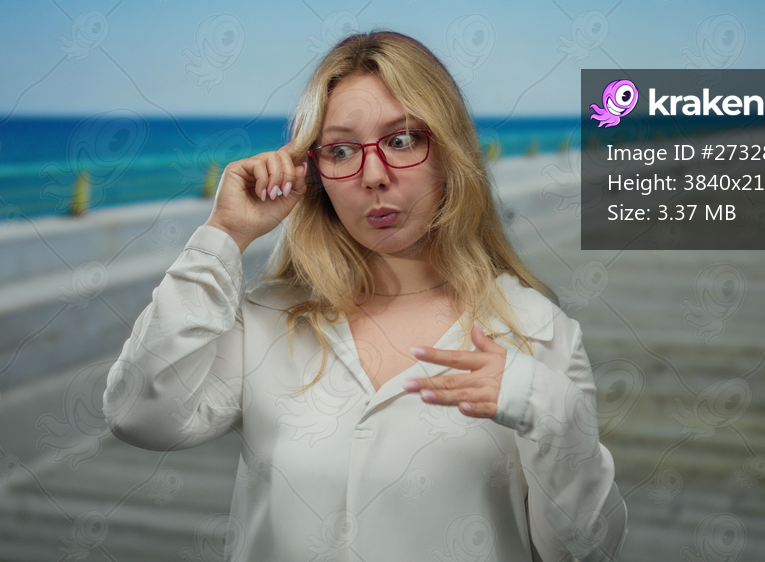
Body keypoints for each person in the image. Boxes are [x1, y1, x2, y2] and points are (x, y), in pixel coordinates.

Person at [103, 30, 627, 561]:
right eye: (341, 150)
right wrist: (223, 235)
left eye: (402, 140)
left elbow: (586, 551)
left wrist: (545, 408)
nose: (373, 176)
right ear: (316, 173)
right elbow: (138, 414)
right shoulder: (266, 317)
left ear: (449, 154)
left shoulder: (536, 329)